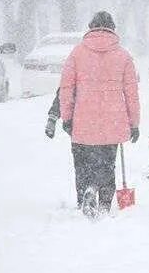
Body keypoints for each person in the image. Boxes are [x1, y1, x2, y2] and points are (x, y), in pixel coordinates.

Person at [59, 11, 140, 217]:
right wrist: (134, 123)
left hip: (83, 121)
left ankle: (87, 190)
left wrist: (66, 117)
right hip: (113, 121)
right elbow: (131, 93)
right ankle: (104, 202)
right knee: (107, 163)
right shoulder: (123, 56)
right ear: (112, 28)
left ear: (91, 27)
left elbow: (66, 89)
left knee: (83, 164)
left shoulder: (77, 53)